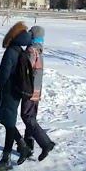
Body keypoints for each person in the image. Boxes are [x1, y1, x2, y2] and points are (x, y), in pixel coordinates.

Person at [0, 20, 33, 171]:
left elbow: (5, 74)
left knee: (7, 122)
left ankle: (6, 159)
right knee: (7, 121)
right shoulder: (20, 51)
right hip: (15, 92)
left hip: (7, 92)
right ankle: (22, 146)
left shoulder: (11, 51)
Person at [18, 25, 56, 163]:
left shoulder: (31, 51)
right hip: (37, 90)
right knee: (31, 117)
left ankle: (46, 143)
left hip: (30, 90)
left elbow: (25, 70)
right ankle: (28, 146)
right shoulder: (40, 50)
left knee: (27, 116)